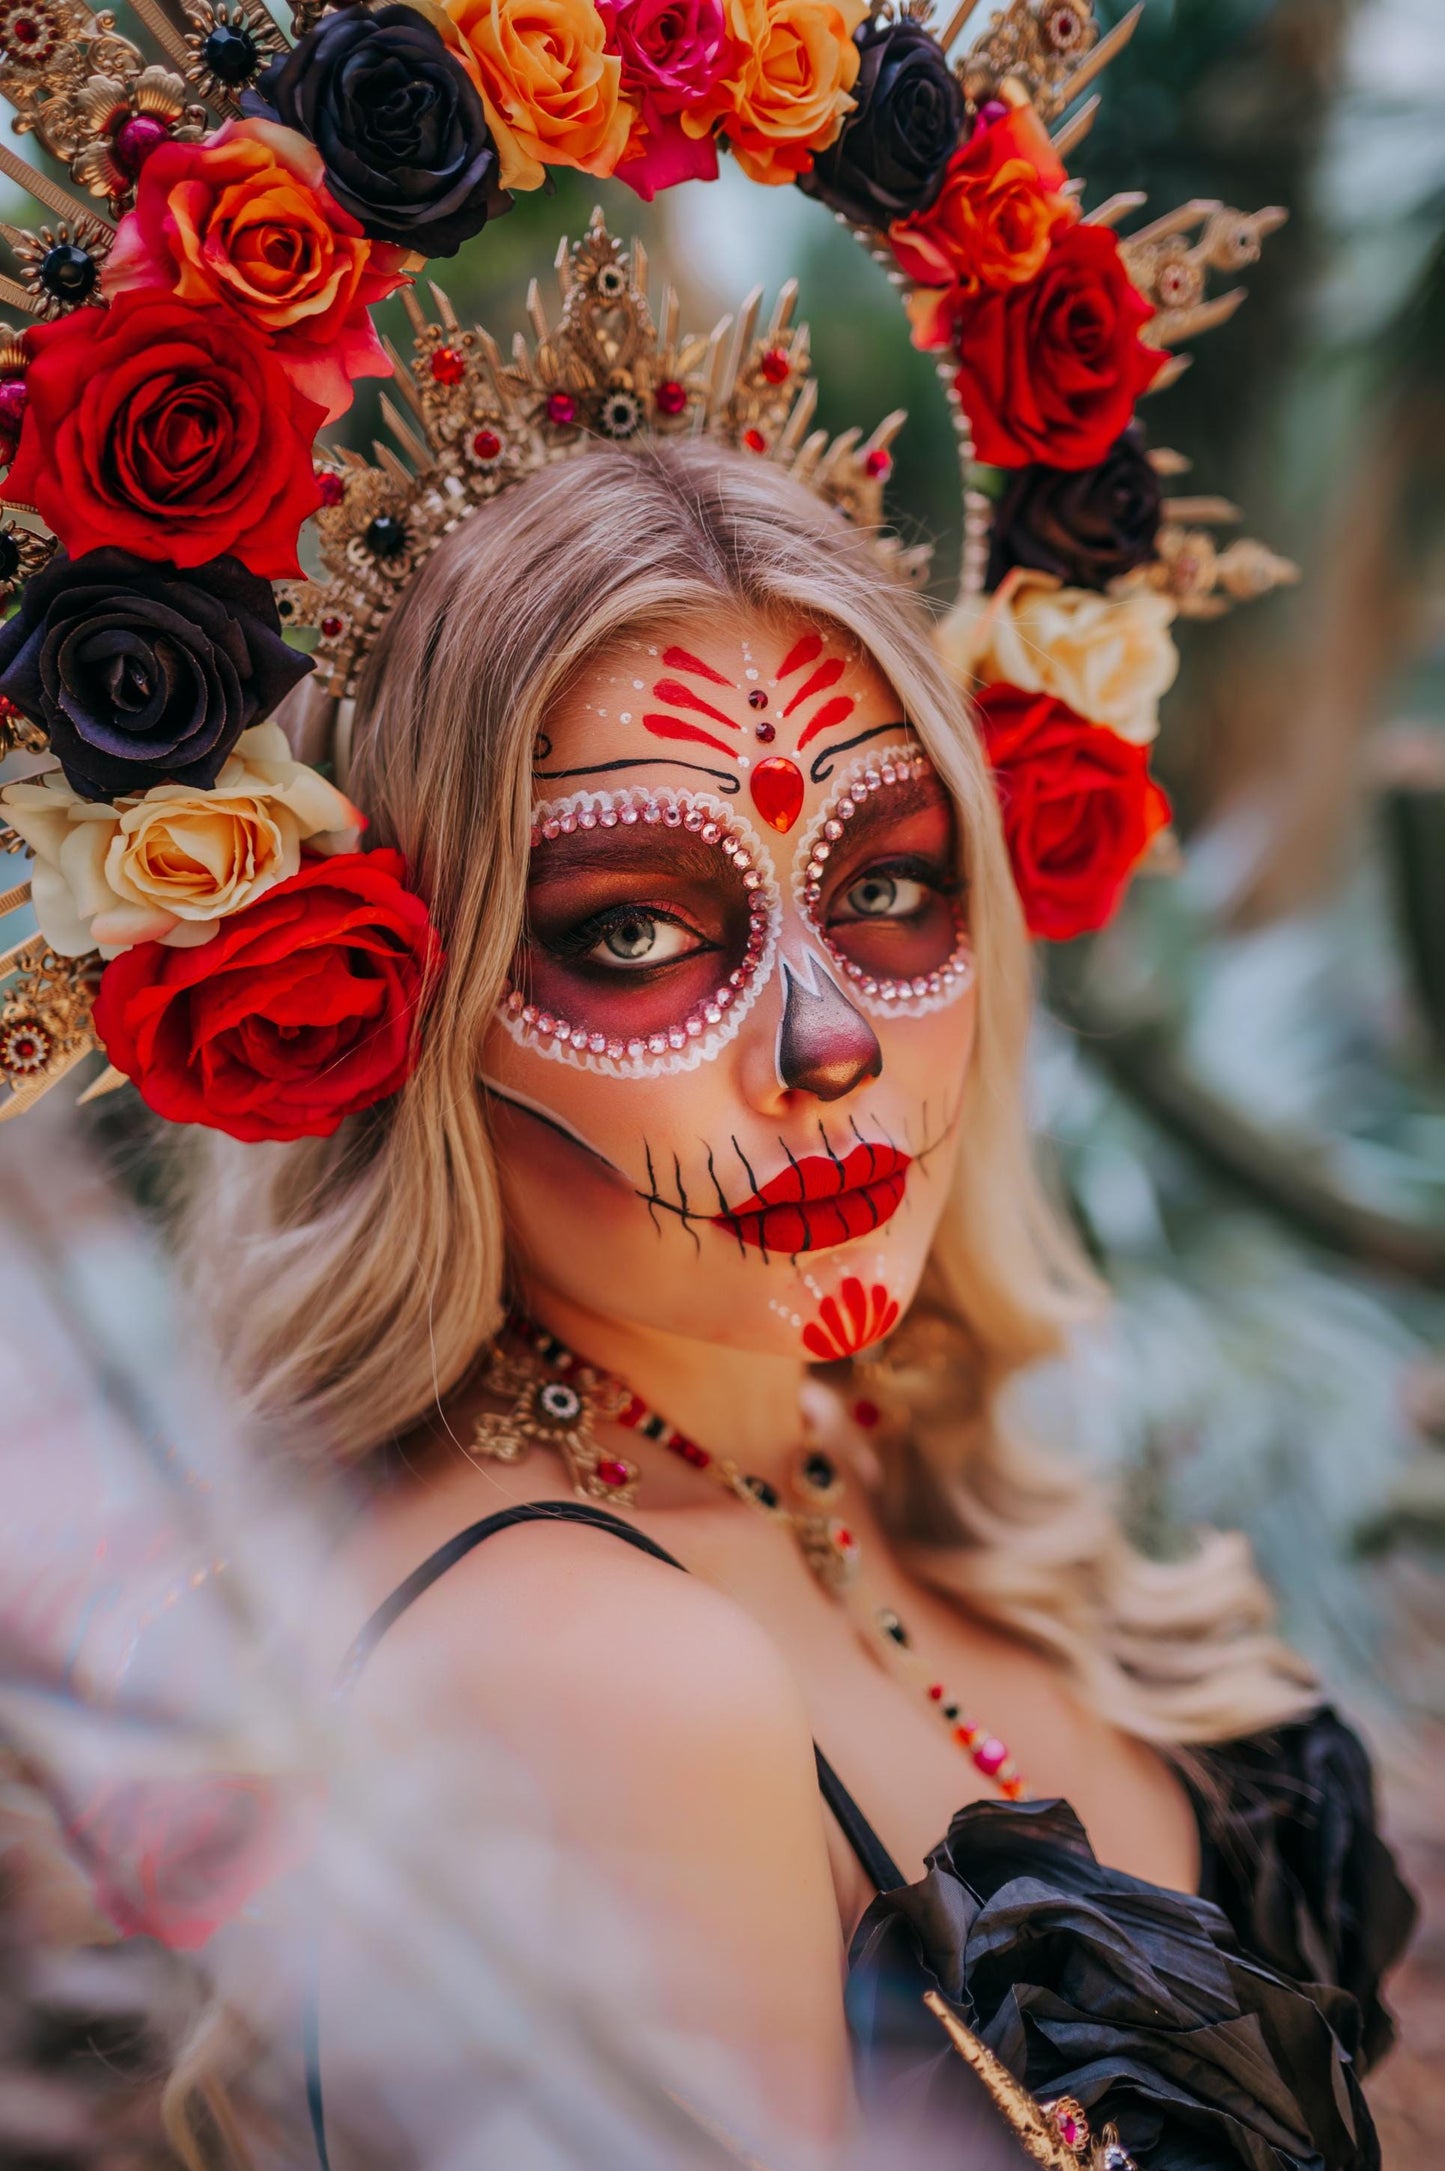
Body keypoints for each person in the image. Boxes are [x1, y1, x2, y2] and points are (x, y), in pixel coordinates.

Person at [165, 437, 1414, 2170]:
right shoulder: (591, 1678)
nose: (827, 1047)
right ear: (401, 1004)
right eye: (633, 934)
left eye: (883, 888)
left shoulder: (871, 1451)